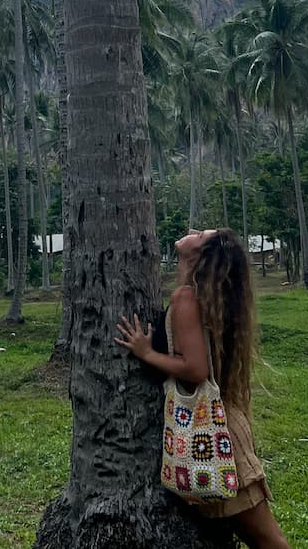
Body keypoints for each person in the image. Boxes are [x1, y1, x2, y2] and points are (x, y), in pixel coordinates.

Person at [115, 228, 290, 549]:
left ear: (201, 255)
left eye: (202, 233)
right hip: (222, 428)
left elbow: (196, 370)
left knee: (270, 542)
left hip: (219, 437)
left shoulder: (186, 298)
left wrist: (147, 353)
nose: (193, 230)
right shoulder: (198, 297)